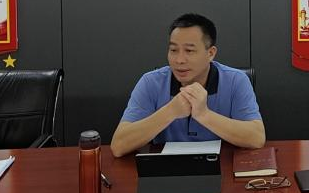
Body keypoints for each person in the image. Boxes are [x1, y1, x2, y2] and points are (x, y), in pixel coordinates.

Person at [111, 14, 264, 157]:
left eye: (189, 51)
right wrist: (171, 111)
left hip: (220, 167)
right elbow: (118, 146)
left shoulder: (236, 80)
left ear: (211, 53)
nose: (179, 60)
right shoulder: (151, 82)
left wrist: (204, 115)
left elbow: (256, 138)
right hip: (166, 169)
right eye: (173, 50)